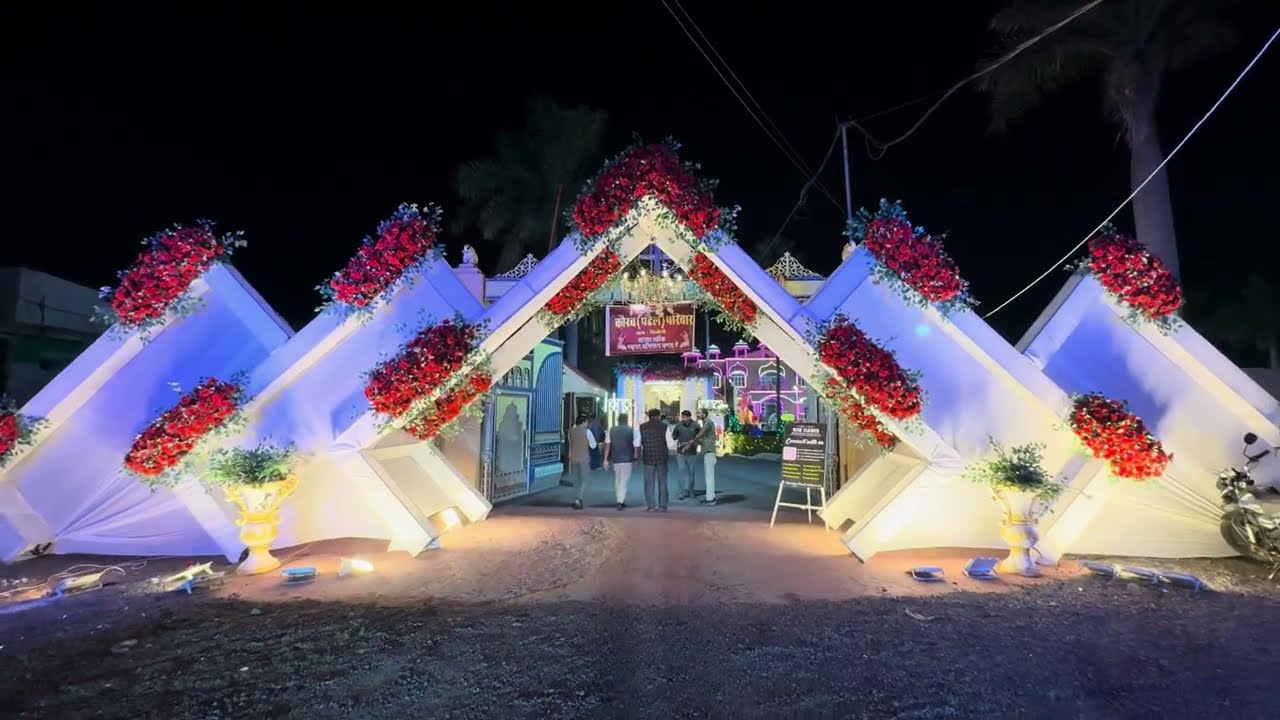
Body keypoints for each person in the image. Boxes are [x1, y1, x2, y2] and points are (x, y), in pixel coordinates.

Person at [602, 413, 641, 511]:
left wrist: (605, 459)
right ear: (626, 420)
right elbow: (636, 445)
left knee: (618, 479)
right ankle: (620, 501)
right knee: (624, 480)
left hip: (616, 458)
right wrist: (636, 457)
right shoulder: (632, 430)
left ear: (618, 420)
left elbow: (607, 445)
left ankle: (619, 499)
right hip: (627, 458)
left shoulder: (611, 430)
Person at [638, 408, 670, 512]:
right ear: (659, 416)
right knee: (662, 482)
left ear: (649, 416)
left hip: (648, 457)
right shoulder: (664, 427)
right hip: (661, 457)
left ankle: (651, 506)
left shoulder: (642, 427)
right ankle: (662, 505)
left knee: (649, 483)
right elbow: (670, 443)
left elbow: (637, 443)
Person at [567, 414, 596, 510]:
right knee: (584, 479)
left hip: (573, 458)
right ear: (583, 422)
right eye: (587, 422)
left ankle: (575, 499)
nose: (587, 424)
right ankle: (578, 499)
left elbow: (571, 443)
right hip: (584, 458)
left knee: (576, 480)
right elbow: (593, 445)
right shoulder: (587, 432)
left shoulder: (571, 431)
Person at [671, 410, 700, 500]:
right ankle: (681, 492)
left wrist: (696, 442)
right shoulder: (679, 425)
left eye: (685, 417)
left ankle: (691, 491)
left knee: (691, 473)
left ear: (689, 417)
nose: (683, 419)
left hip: (692, 453)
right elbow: (674, 436)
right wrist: (673, 436)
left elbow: (700, 436)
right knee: (681, 472)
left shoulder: (696, 425)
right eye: (682, 417)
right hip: (681, 453)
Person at [695, 408, 718, 505]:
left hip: (709, 452)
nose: (697, 415)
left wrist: (695, 438)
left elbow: (701, 433)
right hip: (708, 452)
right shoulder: (706, 423)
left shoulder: (708, 422)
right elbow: (704, 438)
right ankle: (710, 497)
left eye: (699, 413)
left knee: (709, 477)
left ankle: (710, 499)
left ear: (705, 414)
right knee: (709, 477)